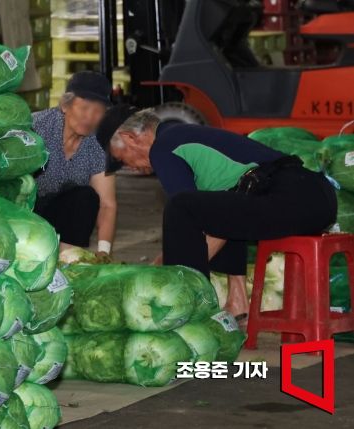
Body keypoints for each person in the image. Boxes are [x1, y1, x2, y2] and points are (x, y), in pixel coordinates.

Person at [107, 109, 337, 318]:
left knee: (181, 208)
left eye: (120, 159)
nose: (129, 167)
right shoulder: (181, 135)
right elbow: (220, 219)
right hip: (316, 199)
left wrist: (159, 278)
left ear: (130, 138)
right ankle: (237, 301)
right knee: (223, 206)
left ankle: (185, 306)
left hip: (290, 196)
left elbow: (191, 219)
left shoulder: (164, 147)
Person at [32, 71, 119, 260]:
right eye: (84, 107)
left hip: (60, 215)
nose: (90, 117)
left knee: (86, 198)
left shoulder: (99, 144)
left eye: (98, 111)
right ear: (65, 105)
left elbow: (107, 204)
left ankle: (69, 258)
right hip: (27, 210)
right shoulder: (37, 127)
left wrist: (104, 251)